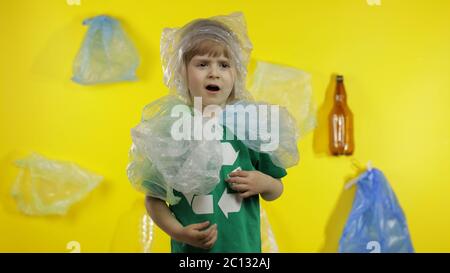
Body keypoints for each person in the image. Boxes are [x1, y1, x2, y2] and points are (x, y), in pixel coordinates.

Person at [127, 12, 297, 253]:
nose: (214, 73)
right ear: (182, 72)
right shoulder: (172, 129)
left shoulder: (250, 127)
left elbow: (276, 190)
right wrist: (179, 232)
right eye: (202, 64)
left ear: (236, 73)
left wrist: (265, 182)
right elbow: (153, 198)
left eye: (224, 65)